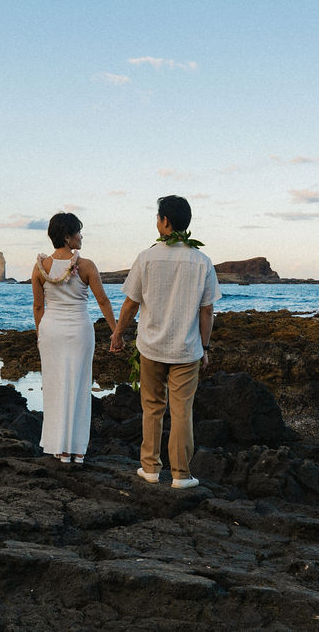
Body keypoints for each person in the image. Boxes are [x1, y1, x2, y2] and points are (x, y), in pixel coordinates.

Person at [110, 195, 220, 488]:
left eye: (158, 217)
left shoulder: (147, 257)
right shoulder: (202, 261)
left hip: (151, 346)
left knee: (152, 407)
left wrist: (118, 333)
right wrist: (205, 348)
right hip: (187, 349)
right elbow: (207, 310)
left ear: (165, 221)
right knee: (182, 411)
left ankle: (150, 468)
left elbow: (131, 304)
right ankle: (181, 475)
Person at [32, 212, 117, 463]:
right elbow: (102, 300)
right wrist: (116, 332)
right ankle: (77, 450)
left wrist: (40, 335)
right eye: (78, 232)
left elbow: (38, 307)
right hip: (79, 327)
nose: (81, 236)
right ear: (67, 237)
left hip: (51, 331)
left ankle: (59, 448)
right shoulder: (86, 265)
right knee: (79, 385)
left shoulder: (40, 267)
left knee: (55, 386)